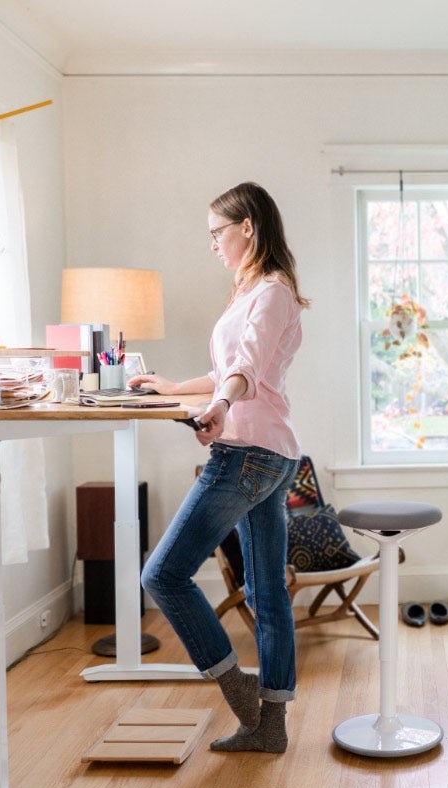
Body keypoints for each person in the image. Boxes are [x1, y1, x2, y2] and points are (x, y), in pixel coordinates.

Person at [131, 182, 309, 753]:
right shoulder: (253, 290)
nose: (212, 245)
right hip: (271, 454)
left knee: (161, 575)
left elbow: (247, 369)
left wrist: (221, 406)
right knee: (266, 593)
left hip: (250, 453)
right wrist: (174, 388)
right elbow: (232, 368)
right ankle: (271, 730)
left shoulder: (272, 292)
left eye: (217, 233)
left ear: (247, 228)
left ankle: (244, 702)